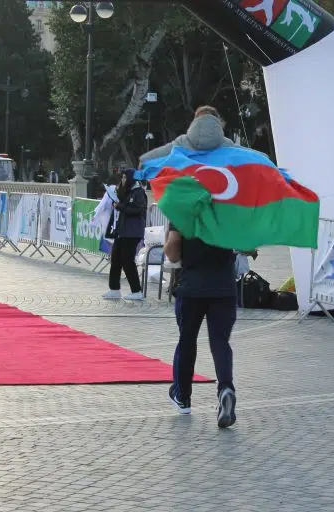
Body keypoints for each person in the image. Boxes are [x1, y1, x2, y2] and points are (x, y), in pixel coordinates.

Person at [152, 106, 240, 428]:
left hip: (191, 285)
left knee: (187, 339)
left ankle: (183, 396)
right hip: (224, 283)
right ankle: (225, 389)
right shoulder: (231, 195)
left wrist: (170, 246)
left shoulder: (185, 193)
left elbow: (173, 249)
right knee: (220, 342)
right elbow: (244, 240)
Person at [102, 169, 147, 300]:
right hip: (122, 230)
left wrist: (121, 207)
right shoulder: (127, 191)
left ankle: (136, 291)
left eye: (125, 177)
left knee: (127, 260)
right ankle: (114, 289)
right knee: (115, 259)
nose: (123, 180)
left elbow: (138, 209)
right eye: (122, 177)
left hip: (132, 232)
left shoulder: (138, 192)